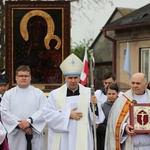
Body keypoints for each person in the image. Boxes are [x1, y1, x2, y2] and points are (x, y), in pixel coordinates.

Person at [42, 53, 105, 150]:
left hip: (83, 137)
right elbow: (47, 114)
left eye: (75, 77)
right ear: (65, 78)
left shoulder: (89, 93)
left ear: (79, 78)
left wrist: (95, 105)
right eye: (70, 78)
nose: (73, 80)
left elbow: (97, 120)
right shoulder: (55, 94)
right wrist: (68, 115)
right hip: (63, 139)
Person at [1, 65, 47, 150]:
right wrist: (19, 124)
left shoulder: (38, 93)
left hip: (34, 133)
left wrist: (29, 122)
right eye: (21, 76)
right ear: (16, 77)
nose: (23, 78)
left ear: (30, 78)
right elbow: (4, 112)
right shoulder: (9, 94)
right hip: (16, 135)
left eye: (26, 76)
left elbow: (44, 111)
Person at [105, 72, 150, 150]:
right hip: (130, 146)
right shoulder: (123, 100)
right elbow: (114, 123)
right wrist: (124, 127)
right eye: (133, 83)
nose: (134, 86)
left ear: (146, 85)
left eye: (138, 83)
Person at [96, 82, 120, 150]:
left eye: (113, 94)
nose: (111, 96)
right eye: (109, 94)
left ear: (117, 93)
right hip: (106, 137)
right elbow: (100, 123)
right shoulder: (103, 107)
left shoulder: (121, 105)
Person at [0, 74, 9, 150]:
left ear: (8, 85)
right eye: (1, 85)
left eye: (5, 85)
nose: (3, 88)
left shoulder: (11, 97)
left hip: (9, 125)